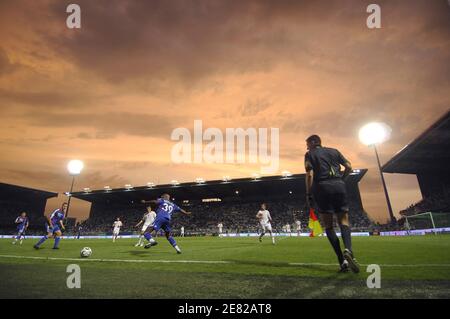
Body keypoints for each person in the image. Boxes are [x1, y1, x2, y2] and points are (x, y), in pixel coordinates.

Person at [304, 134, 359, 273]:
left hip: (322, 188)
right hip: (339, 186)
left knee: (328, 226)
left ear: (313, 142)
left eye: (307, 143)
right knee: (344, 221)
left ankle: (342, 261)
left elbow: (310, 174)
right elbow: (349, 167)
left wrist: (309, 194)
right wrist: (342, 179)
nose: (306, 146)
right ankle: (349, 250)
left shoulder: (309, 154)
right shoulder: (334, 151)